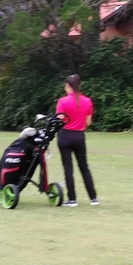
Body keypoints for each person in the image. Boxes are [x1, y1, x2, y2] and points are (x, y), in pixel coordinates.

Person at [55, 74, 98, 207]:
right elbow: (88, 122)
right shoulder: (87, 101)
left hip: (65, 136)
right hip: (79, 136)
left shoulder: (62, 101)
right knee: (84, 167)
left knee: (68, 167)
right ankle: (93, 198)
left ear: (68, 86)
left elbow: (59, 118)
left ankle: (72, 199)